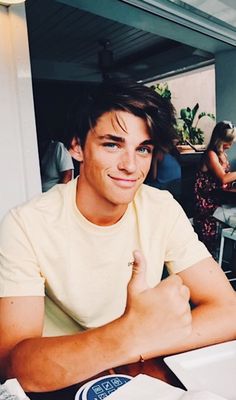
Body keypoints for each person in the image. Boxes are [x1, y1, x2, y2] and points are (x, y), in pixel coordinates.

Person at [0, 81, 235, 393]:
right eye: (112, 144)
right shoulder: (26, 223)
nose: (130, 166)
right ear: (76, 146)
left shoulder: (160, 208)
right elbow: (13, 366)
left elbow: (228, 311)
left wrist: (139, 342)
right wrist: (128, 335)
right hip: (61, 378)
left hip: (140, 367)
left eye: (143, 149)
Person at [193, 121, 236, 255]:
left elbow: (225, 183)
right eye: (227, 142)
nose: (230, 145)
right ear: (220, 140)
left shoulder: (223, 155)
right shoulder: (210, 155)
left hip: (219, 200)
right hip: (207, 205)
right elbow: (223, 178)